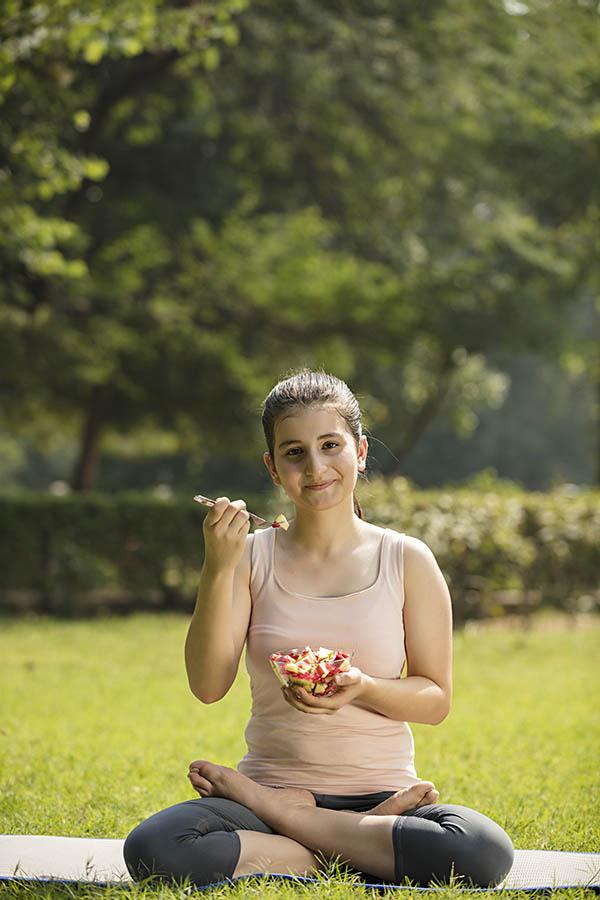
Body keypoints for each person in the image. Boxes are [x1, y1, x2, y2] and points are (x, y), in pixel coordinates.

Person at [123, 369, 514, 889]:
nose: (315, 467)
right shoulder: (248, 558)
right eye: (294, 452)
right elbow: (208, 685)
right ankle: (349, 845)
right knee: (154, 847)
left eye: (331, 445)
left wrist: (363, 687)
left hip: (378, 794)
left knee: (480, 849)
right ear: (272, 467)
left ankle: (298, 828)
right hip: (275, 786)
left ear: (361, 451)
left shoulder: (407, 560)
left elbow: (435, 700)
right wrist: (218, 567)